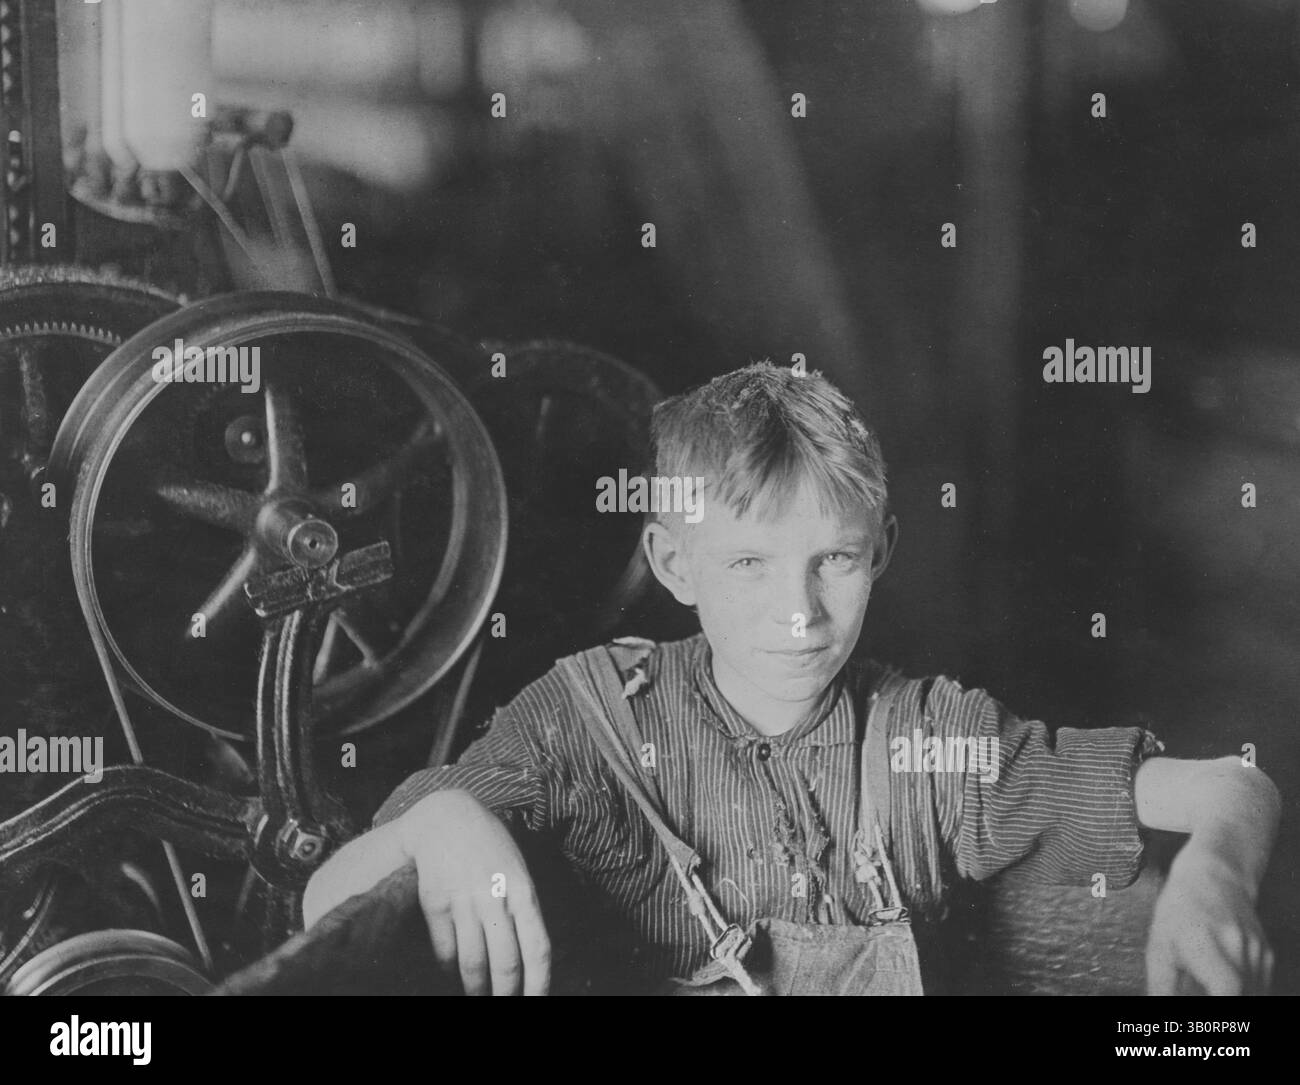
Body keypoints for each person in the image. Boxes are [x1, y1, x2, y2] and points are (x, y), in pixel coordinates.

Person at [303, 361, 1279, 996]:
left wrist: (1215, 870)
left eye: (835, 559)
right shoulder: (581, 723)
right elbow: (323, 911)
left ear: (881, 548)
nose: (800, 610)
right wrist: (437, 821)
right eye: (748, 565)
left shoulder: (927, 741)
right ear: (674, 565)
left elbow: (1234, 783)